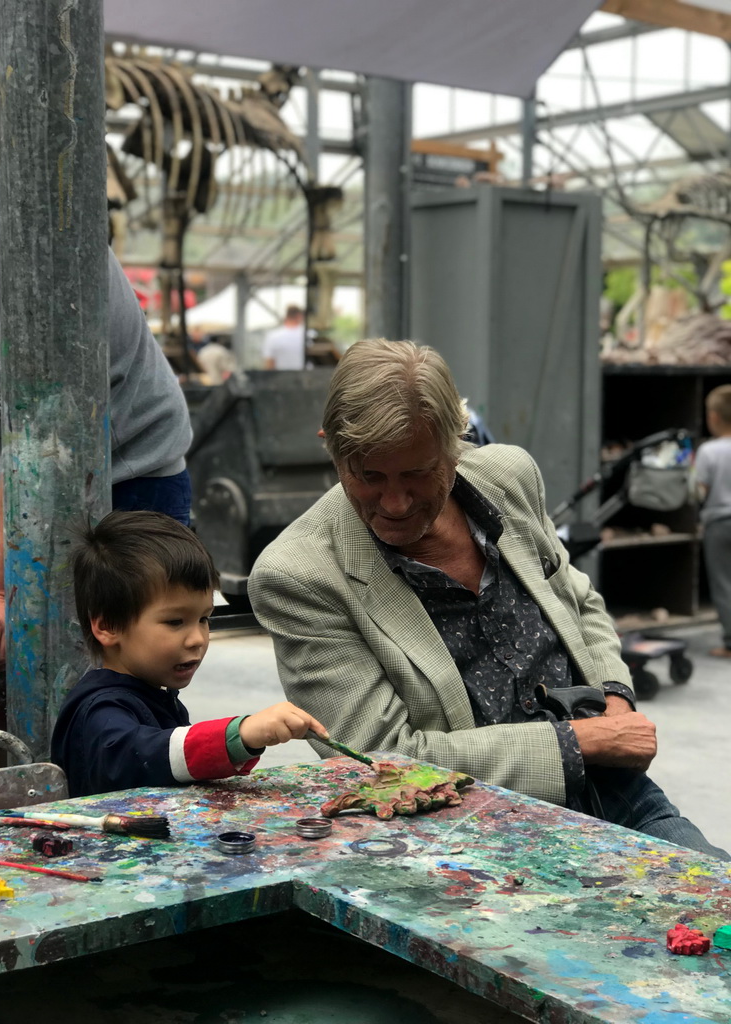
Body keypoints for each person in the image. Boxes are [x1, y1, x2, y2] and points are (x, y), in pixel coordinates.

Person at [249, 339, 727, 860]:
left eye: (417, 473)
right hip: (458, 833)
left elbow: (578, 603)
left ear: (456, 443)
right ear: (331, 449)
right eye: (368, 476)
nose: (394, 502)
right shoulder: (300, 575)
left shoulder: (508, 478)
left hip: (613, 791)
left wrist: (614, 696)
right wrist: (581, 742)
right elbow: (380, 760)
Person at [0, 161, 193, 673]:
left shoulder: (37, 245)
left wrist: (1, 592)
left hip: (121, 480)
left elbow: (40, 443)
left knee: (113, 687)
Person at [51, 510, 328, 797]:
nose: (197, 639)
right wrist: (240, 735)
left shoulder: (153, 693)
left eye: (204, 619)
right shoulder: (101, 712)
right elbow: (146, 755)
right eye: (175, 622)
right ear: (108, 626)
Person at [696, 384, 731, 658]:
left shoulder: (709, 451)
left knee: (723, 584)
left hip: (720, 523)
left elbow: (699, 490)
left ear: (714, 417)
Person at [262, 305, 306, 370]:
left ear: (286, 316)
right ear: (299, 316)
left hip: (281, 378)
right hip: (305, 378)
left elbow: (269, 364)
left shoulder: (272, 336)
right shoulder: (308, 334)